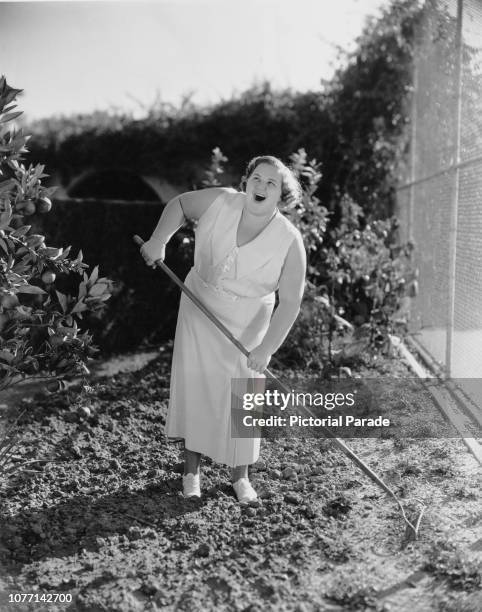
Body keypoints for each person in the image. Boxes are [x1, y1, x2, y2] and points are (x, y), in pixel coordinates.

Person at [140, 155, 306, 503]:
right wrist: (159, 241)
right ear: (246, 181)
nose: (261, 187)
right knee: (196, 384)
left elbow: (290, 302)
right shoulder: (222, 201)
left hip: (248, 323)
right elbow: (181, 204)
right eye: (256, 178)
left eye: (271, 183)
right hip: (199, 305)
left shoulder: (290, 241)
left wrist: (266, 349)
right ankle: (191, 472)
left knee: (241, 395)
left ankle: (240, 476)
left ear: (282, 195)